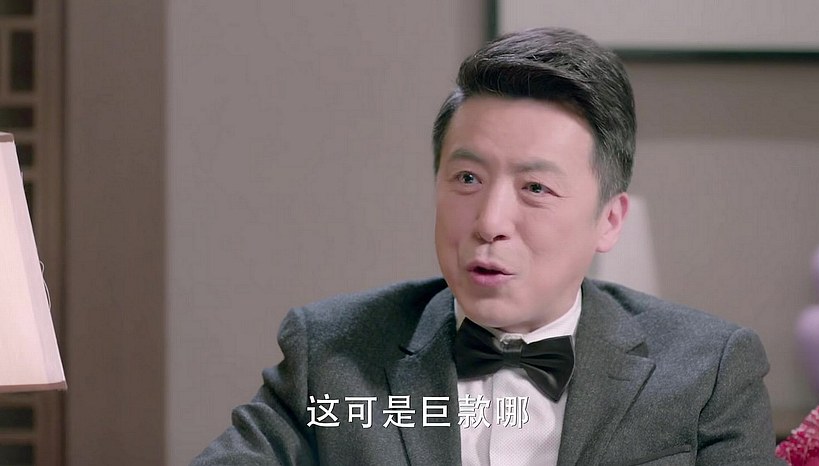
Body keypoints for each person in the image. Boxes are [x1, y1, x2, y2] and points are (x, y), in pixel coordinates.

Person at [192, 27, 781, 465]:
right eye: (467, 178)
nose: (490, 222)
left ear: (608, 220)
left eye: (536, 188)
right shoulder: (334, 355)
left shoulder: (707, 372)